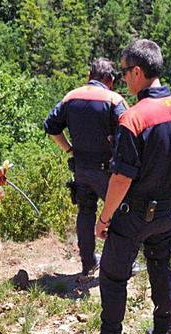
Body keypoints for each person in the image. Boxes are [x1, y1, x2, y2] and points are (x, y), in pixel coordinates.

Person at [82, 39, 171, 334]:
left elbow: (121, 178)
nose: (123, 80)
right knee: (161, 266)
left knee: (112, 275)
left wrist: (104, 218)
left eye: (124, 73)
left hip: (132, 215)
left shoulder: (133, 119)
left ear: (137, 71)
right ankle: (163, 331)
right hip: (166, 211)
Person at [44, 58, 128, 281]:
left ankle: (88, 264)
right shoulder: (114, 99)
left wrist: (69, 149)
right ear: (109, 79)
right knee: (119, 214)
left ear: (89, 76)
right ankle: (119, 264)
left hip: (81, 167)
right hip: (107, 170)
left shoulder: (71, 97)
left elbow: (50, 126)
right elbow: (128, 133)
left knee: (85, 213)